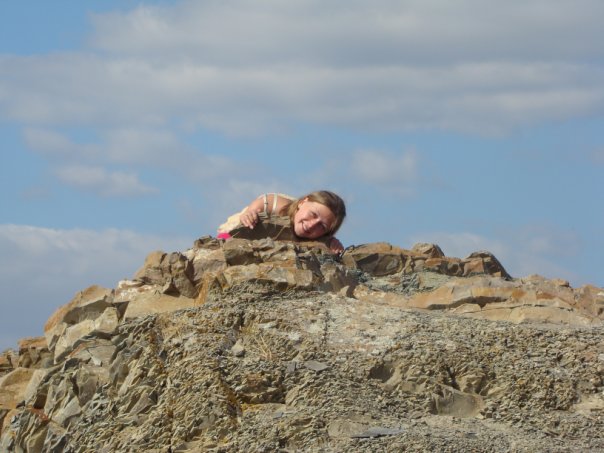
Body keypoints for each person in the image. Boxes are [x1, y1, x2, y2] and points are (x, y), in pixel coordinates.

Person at [217, 190, 346, 253]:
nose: (312, 225)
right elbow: (264, 201)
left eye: (322, 226)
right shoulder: (278, 206)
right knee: (224, 241)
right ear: (303, 202)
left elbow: (330, 241)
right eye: (313, 214)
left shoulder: (322, 236)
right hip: (239, 225)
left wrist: (334, 244)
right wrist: (250, 213)